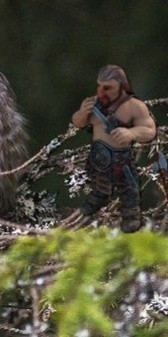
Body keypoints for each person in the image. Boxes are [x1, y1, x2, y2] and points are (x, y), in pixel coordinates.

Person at [68, 65, 156, 232]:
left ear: (121, 86)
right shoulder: (93, 104)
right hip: (99, 158)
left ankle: (131, 224)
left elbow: (150, 131)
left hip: (121, 159)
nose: (101, 92)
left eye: (107, 88)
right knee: (98, 191)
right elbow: (77, 122)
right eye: (99, 86)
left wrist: (131, 133)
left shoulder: (134, 106)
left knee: (129, 191)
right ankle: (85, 215)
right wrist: (82, 113)